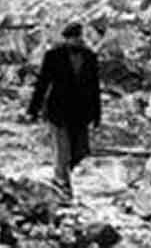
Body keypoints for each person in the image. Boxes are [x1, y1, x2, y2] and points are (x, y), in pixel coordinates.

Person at [26, 22, 101, 197]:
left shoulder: (90, 56)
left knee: (81, 151)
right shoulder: (53, 56)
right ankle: (62, 184)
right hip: (57, 110)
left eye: (78, 37)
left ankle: (66, 177)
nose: (76, 40)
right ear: (66, 39)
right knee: (62, 151)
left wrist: (97, 115)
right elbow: (43, 83)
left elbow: (95, 87)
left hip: (81, 112)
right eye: (73, 38)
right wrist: (33, 109)